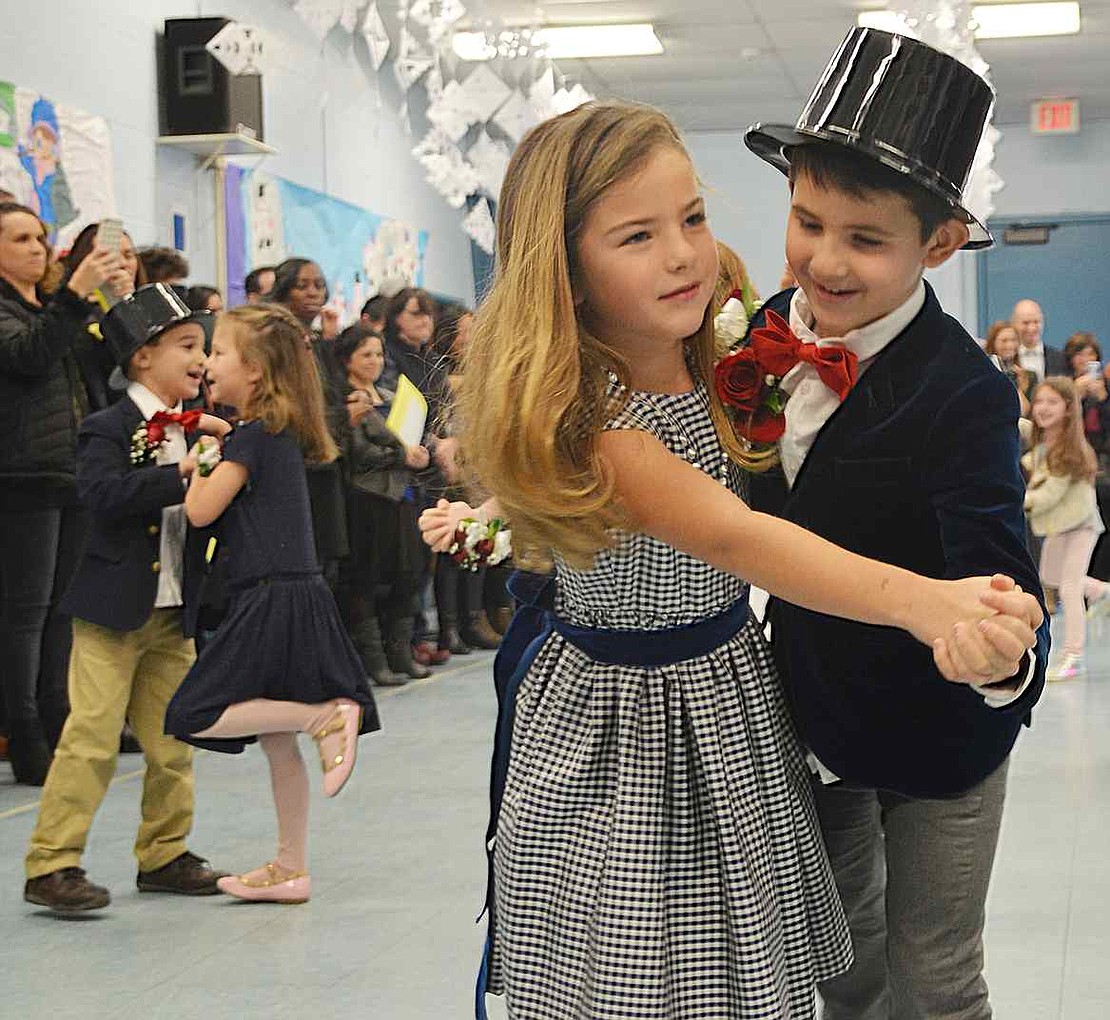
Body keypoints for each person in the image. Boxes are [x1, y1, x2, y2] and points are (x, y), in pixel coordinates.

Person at [418, 98, 1041, 1019]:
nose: (681, 254)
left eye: (694, 220)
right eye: (638, 235)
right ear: (566, 268)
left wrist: (990, 638)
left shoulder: (737, 342)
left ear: (938, 244)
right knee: (685, 960)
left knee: (902, 972)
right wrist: (925, 602)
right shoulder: (654, 387)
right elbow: (734, 533)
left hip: (868, 719)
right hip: (668, 709)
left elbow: (993, 559)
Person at [741, 28, 1049, 1019]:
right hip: (812, 713)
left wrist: (996, 652)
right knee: (842, 964)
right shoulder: (764, 338)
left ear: (939, 244)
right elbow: (737, 502)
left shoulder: (964, 391)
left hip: (942, 739)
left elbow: (999, 578)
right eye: (806, 221)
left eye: (865, 238)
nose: (824, 261)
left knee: (935, 978)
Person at [164, 305, 379, 904]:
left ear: (254, 372)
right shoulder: (273, 434)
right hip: (292, 591)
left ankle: (321, 718)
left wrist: (200, 456)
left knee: (192, 712)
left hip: (268, 597)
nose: (209, 363)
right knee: (274, 739)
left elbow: (202, 510)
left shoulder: (252, 437)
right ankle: (291, 865)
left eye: (221, 353)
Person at [23, 284, 227, 913]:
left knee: (174, 741)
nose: (201, 360)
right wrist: (182, 473)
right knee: (91, 735)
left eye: (205, 349)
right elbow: (104, 495)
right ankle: (51, 863)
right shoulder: (105, 426)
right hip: (112, 610)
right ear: (142, 356)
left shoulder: (201, 428)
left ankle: (164, 852)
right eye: (187, 347)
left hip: (172, 612)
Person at [0, 202, 128, 784]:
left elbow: (102, 365)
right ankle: (24, 734)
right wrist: (75, 295)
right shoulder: (12, 311)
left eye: (39, 237)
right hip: (21, 477)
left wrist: (114, 301)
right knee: (24, 615)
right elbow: (29, 357)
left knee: (59, 614)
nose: (34, 247)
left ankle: (58, 720)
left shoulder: (47, 306)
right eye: (20, 238)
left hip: (68, 469)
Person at [335, 322, 428, 684]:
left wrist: (420, 452)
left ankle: (400, 652)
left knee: (408, 573)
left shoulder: (392, 395)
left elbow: (412, 439)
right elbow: (359, 454)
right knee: (367, 579)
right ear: (347, 360)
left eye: (378, 354)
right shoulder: (346, 402)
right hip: (366, 497)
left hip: (402, 495)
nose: (374, 361)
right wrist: (401, 455)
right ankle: (374, 660)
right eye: (365, 354)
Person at [270, 258, 349, 584]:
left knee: (328, 563)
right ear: (283, 289)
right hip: (297, 459)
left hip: (326, 457)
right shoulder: (277, 337)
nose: (313, 293)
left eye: (318, 284)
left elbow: (331, 393)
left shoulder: (317, 341)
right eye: (302, 285)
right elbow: (291, 401)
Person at [1025, 377, 1108, 680]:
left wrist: (1013, 498)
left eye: (1052, 403)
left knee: (1070, 588)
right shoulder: (1046, 438)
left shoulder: (1070, 451)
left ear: (1069, 410)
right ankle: (1101, 591)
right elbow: (1023, 430)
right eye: (1039, 401)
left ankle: (1074, 655)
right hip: (1060, 526)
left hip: (1081, 526)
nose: (1043, 408)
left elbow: (1048, 496)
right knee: (1050, 577)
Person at [63, 220, 147, 411]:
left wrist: (128, 303)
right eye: (112, 256)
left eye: (129, 255)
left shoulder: (145, 304)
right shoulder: (74, 311)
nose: (123, 264)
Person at [1012, 298, 1066, 383]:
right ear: (1014, 324)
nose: (1032, 328)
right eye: (1026, 323)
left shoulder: (1060, 358)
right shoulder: (1006, 358)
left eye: (1036, 322)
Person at [985, 318, 1033, 411]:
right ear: (993, 343)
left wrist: (1018, 387)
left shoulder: (1029, 376)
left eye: (1013, 340)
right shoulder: (984, 375)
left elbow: (1024, 412)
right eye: (1004, 341)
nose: (1010, 345)